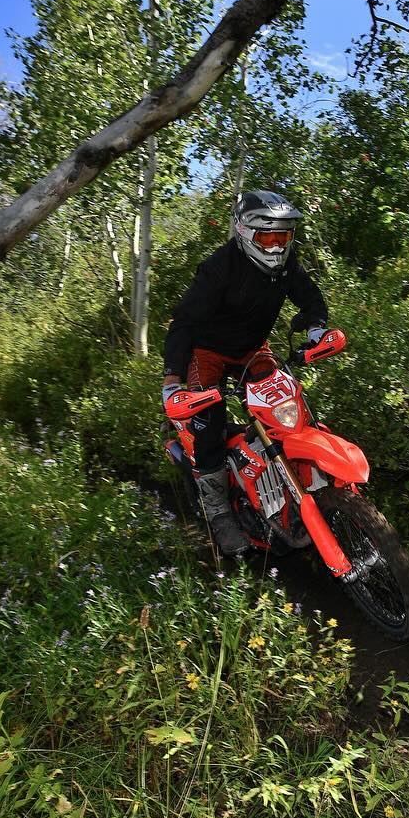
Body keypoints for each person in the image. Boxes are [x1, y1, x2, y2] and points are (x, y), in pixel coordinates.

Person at [162, 190, 329, 556]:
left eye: (282, 237)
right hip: (207, 352)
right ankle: (218, 512)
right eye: (267, 237)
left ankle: (303, 481)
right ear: (243, 231)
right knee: (209, 418)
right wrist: (172, 381)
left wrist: (317, 326)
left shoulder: (286, 265)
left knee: (289, 403)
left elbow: (309, 295)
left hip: (253, 349)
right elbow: (184, 321)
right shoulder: (218, 268)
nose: (275, 246)